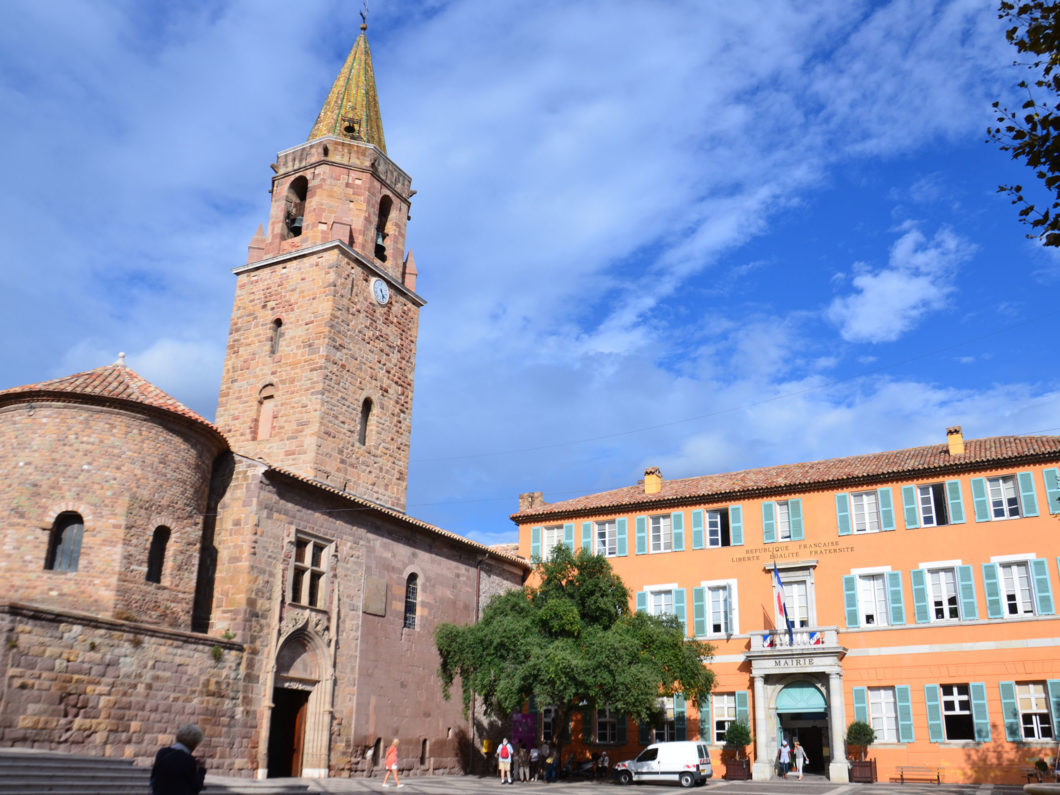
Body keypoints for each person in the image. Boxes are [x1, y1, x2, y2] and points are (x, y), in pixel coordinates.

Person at [150, 723, 206, 795]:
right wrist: (201, 769)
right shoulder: (188, 759)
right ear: (194, 743)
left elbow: (154, 776)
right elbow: (196, 787)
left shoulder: (162, 752)